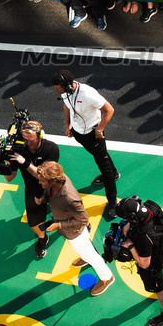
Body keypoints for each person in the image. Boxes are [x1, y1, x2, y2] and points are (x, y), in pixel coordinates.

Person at [33, 161, 114, 296]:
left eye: (42, 181)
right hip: (69, 228)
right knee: (84, 250)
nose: (40, 183)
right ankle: (86, 257)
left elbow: (83, 220)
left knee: (91, 255)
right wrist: (41, 197)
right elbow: (48, 193)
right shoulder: (58, 179)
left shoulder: (70, 198)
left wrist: (58, 225)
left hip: (75, 232)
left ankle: (107, 278)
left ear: (53, 180)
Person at [52, 69, 119, 218]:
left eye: (58, 88)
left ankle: (113, 202)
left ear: (67, 85)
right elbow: (66, 105)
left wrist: (100, 129)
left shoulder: (88, 94)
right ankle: (114, 172)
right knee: (100, 157)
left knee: (104, 168)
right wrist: (68, 124)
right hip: (79, 134)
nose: (56, 91)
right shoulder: (66, 92)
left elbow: (109, 110)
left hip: (94, 135)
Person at [0, 121, 61, 256]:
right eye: (24, 137)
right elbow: (10, 178)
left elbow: (44, 175)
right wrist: (2, 163)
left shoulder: (51, 149)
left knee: (66, 209)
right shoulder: (18, 149)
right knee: (33, 222)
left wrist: (23, 162)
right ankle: (42, 237)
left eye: (30, 138)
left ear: (40, 135)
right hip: (32, 188)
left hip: (52, 184)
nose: (26, 142)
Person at [116, 196, 163, 326]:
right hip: (162, 248)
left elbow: (144, 263)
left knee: (160, 289)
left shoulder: (144, 237)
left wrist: (130, 246)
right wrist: (129, 225)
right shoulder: (150, 208)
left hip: (152, 263)